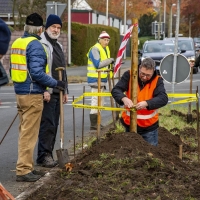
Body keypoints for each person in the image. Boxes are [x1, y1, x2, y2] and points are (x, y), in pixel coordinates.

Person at [10, 13, 66, 182]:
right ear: (41, 29)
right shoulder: (35, 45)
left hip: (20, 92)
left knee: (24, 132)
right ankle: (24, 170)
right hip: (32, 93)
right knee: (29, 134)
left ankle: (27, 167)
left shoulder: (18, 42)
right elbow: (37, 72)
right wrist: (55, 83)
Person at [111, 57, 168, 146]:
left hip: (149, 128)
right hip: (129, 125)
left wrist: (147, 103)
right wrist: (123, 98)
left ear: (153, 71)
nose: (145, 77)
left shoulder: (157, 80)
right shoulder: (129, 75)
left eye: (148, 75)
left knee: (150, 155)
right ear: (139, 67)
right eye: (142, 74)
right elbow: (116, 90)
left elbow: (163, 98)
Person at [36, 14, 68, 168]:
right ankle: (43, 156)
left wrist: (65, 90)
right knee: (47, 124)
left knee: (54, 124)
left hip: (58, 91)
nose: (56, 30)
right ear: (46, 27)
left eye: (58, 27)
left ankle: (48, 153)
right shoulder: (41, 43)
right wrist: (45, 90)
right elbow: (39, 70)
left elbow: (64, 70)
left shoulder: (58, 46)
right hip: (48, 91)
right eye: (53, 27)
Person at [87, 31, 114, 130]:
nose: (106, 42)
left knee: (100, 102)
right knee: (95, 101)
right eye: (105, 40)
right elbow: (97, 64)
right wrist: (110, 60)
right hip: (95, 79)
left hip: (101, 79)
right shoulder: (95, 49)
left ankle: (97, 122)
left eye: (108, 40)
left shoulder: (105, 49)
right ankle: (94, 125)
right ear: (100, 40)